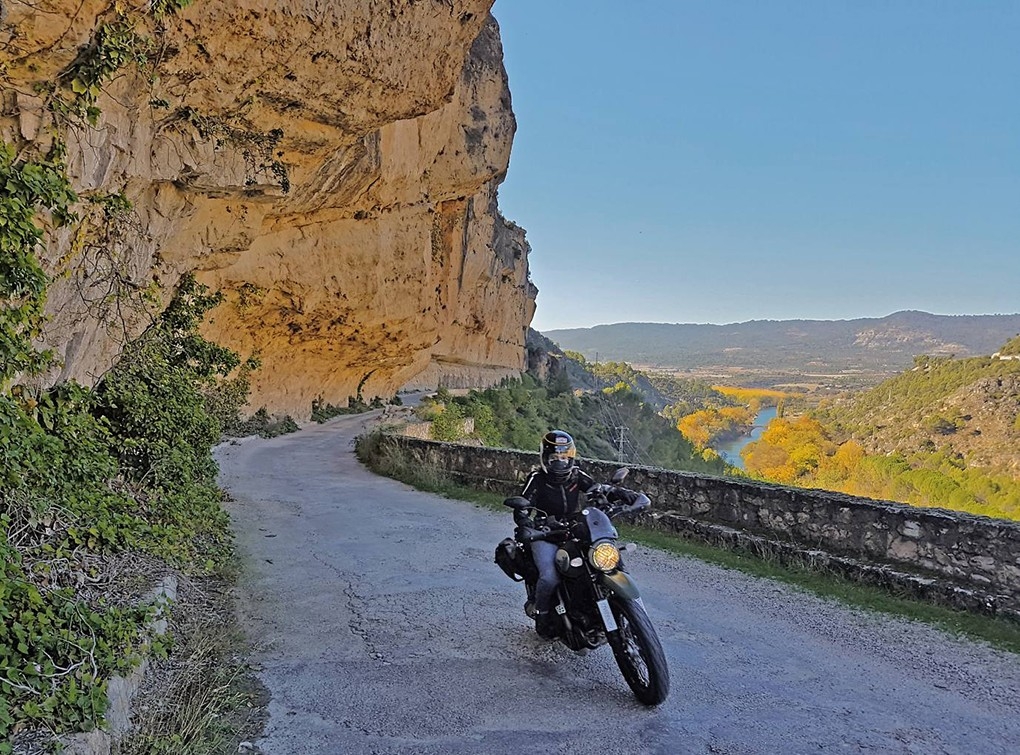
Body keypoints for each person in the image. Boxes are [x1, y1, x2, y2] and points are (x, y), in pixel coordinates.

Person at [518, 429, 646, 639]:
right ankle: (541, 614)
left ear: (571, 456)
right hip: (545, 533)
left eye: (564, 456)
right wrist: (525, 522)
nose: (560, 461)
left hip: (573, 527)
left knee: (599, 561)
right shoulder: (537, 478)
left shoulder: (577, 474)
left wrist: (618, 494)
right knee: (550, 577)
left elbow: (597, 489)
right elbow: (523, 504)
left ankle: (616, 612)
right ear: (544, 457)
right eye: (554, 457)